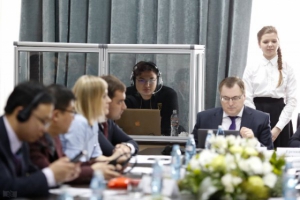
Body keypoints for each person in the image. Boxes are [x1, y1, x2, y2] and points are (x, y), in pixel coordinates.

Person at [0, 81, 80, 198]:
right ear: (21, 113)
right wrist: (50, 175)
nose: (44, 129)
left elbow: (29, 177)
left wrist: (61, 175)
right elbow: (5, 191)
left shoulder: (22, 141)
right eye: (43, 121)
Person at [29, 84, 120, 182]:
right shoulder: (35, 139)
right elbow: (56, 173)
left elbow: (69, 163)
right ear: (56, 115)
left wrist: (105, 166)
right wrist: (94, 170)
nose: (74, 117)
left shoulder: (54, 136)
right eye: (71, 111)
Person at [59, 75, 127, 176]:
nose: (109, 100)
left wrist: (116, 158)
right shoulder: (77, 122)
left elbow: (96, 157)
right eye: (104, 96)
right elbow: (73, 164)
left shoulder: (93, 122)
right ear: (92, 99)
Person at [243, 26, 297, 149]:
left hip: (280, 117)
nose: (270, 45)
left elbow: (292, 100)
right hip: (256, 114)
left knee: (281, 161)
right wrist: (258, 122)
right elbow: (246, 97)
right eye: (265, 41)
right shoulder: (252, 66)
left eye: (274, 41)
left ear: (278, 41)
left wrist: (278, 128)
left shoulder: (287, 67)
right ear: (259, 44)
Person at [192, 77, 273, 150]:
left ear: (244, 96)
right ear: (220, 97)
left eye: (235, 98)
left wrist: (253, 142)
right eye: (225, 98)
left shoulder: (261, 120)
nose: (230, 103)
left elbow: (270, 153)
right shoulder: (204, 118)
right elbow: (192, 147)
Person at [125, 61, 179, 135]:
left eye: (151, 80)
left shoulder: (168, 95)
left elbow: (170, 126)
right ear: (134, 81)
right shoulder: (126, 94)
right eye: (141, 80)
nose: (147, 85)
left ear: (158, 80)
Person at [99, 75, 139, 156]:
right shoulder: (89, 123)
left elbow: (132, 142)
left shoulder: (108, 122)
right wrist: (121, 151)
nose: (124, 107)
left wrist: (127, 147)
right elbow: (111, 153)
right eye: (119, 102)